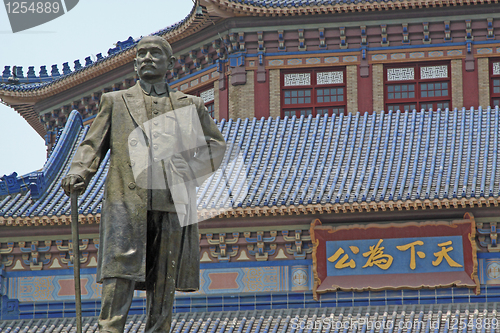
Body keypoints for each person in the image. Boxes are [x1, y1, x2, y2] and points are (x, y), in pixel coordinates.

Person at [61, 35, 226, 333]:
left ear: (170, 63)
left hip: (172, 202)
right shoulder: (115, 102)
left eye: (155, 53)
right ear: (135, 63)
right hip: (126, 200)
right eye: (142, 53)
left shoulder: (192, 105)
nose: (147, 57)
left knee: (165, 276)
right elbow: (92, 144)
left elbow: (215, 146)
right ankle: (109, 329)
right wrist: (79, 172)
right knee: (119, 272)